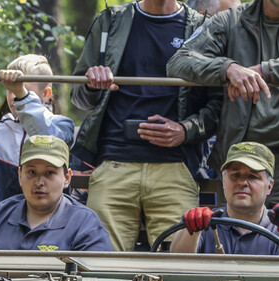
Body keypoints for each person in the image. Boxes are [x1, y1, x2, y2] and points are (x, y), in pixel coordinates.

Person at [167, 0, 279, 215]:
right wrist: (228, 69)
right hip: (240, 163)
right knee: (234, 240)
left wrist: (267, 71)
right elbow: (178, 62)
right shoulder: (230, 20)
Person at [73, 0, 222, 251]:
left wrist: (185, 130)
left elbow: (219, 105)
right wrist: (91, 83)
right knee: (100, 262)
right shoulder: (110, 21)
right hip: (114, 163)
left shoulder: (202, 28)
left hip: (176, 166)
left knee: (178, 270)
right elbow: (78, 95)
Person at [0, 55, 77, 219]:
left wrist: (22, 96)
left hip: (52, 227)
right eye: (10, 89)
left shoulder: (62, 126)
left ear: (46, 93)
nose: (14, 96)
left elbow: (47, 139)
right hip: (2, 228)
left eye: (23, 89)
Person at [0, 136, 115, 252]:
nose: (39, 182)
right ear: (20, 175)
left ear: (67, 178)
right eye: (32, 172)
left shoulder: (85, 225)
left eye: (49, 173)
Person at [172, 142, 279, 255]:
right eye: (235, 175)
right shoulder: (204, 223)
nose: (242, 182)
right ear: (223, 181)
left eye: (253, 176)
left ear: (269, 186)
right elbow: (175, 267)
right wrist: (191, 229)